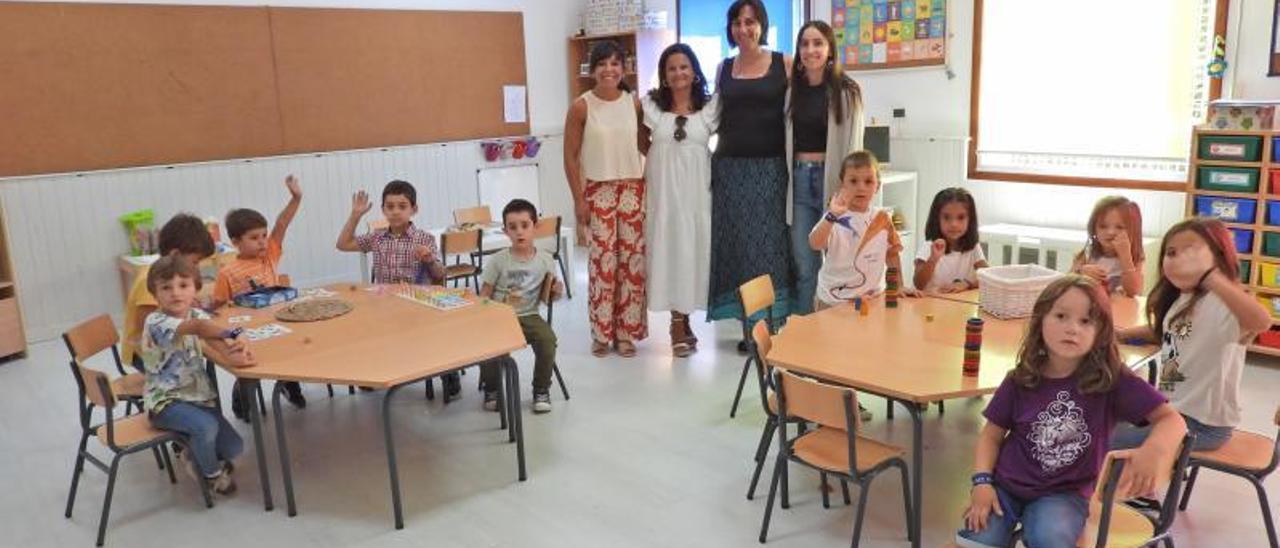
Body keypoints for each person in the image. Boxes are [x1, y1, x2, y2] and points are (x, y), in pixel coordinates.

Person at [957, 275, 1186, 548]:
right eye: (1061, 316)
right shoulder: (1020, 378)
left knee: (1048, 538)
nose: (1072, 329)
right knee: (978, 539)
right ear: (1040, 321)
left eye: (1086, 321)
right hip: (1004, 486)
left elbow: (1173, 420)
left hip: (1065, 494)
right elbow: (991, 436)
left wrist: (1155, 450)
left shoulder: (1112, 380)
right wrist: (982, 482)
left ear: (1100, 331)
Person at [1113, 218, 1272, 452]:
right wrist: (1122, 335)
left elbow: (1261, 322)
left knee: (1104, 440)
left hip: (1202, 426)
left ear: (1217, 257)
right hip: (1172, 409)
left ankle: (1133, 483)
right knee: (1100, 416)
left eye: (1192, 251)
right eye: (1172, 252)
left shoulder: (1223, 303)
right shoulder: (1183, 298)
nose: (1181, 259)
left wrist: (1212, 277)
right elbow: (1171, 332)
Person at [709, 0, 795, 351]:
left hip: (771, 168)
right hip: (729, 169)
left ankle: (772, 321)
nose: (743, 29)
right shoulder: (723, 67)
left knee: (770, 245)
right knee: (739, 247)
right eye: (737, 22)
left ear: (762, 25)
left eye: (751, 22)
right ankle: (749, 324)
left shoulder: (784, 63)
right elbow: (712, 114)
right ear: (730, 27)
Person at [336, 180, 461, 399]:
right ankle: (376, 372)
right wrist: (356, 215)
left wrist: (430, 260)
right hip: (385, 306)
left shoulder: (424, 238)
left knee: (434, 338)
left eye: (402, 206)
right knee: (366, 331)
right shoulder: (377, 238)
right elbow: (343, 244)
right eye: (390, 206)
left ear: (414, 209)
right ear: (383, 209)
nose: (395, 212)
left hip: (418, 304)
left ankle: (448, 373)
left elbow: (440, 275)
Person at [141, 254, 254, 495]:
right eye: (166, 287)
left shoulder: (196, 314)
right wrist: (233, 334)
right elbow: (200, 329)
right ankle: (212, 477)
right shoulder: (156, 321)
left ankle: (190, 452)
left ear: (195, 288)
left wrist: (235, 350)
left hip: (199, 398)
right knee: (205, 428)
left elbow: (214, 336)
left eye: (183, 285)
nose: (176, 293)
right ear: (154, 293)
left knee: (235, 447)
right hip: (165, 402)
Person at [564, 40, 648, 358]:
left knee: (631, 263)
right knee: (603, 264)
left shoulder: (634, 104)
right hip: (597, 191)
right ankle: (601, 333)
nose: (609, 70)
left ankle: (626, 332)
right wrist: (578, 200)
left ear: (624, 68)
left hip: (632, 190)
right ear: (592, 69)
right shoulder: (581, 106)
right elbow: (570, 158)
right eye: (602, 64)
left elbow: (646, 146)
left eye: (615, 63)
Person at [642, 43, 717, 358]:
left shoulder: (711, 107)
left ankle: (685, 320)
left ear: (695, 70)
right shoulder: (650, 106)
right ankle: (676, 323)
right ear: (664, 74)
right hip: (664, 196)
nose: (678, 73)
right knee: (669, 252)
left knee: (691, 254)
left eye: (684, 67)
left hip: (697, 194)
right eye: (671, 68)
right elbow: (639, 142)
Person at [785, 19, 864, 314]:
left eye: (817, 43)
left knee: (837, 265)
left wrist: (847, 191)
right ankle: (808, 338)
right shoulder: (792, 91)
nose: (810, 50)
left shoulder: (847, 91)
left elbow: (855, 147)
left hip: (832, 183)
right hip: (800, 183)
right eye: (804, 44)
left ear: (830, 49)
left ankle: (837, 336)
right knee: (806, 266)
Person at [214, 175, 305, 417]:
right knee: (249, 364)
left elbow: (282, 224)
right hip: (248, 329)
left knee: (289, 352)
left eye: (263, 236)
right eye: (254, 238)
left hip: (278, 322)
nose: (263, 242)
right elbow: (220, 305)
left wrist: (296, 198)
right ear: (235, 242)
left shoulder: (269, 256)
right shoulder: (228, 272)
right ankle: (241, 399)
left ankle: (289, 384)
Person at [477, 199, 564, 414]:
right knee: (488, 343)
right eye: (513, 227)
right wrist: (484, 318)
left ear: (536, 226)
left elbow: (548, 298)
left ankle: (541, 390)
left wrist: (556, 292)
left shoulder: (545, 260)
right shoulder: (498, 260)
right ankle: (493, 389)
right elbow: (484, 294)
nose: (519, 232)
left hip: (530, 315)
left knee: (548, 340)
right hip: (499, 315)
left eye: (525, 225)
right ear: (505, 231)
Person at [809, 151, 913, 311]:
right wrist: (831, 216)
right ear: (842, 184)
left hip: (872, 299)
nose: (861, 187)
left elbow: (892, 254)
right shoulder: (834, 217)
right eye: (853, 181)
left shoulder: (882, 219)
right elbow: (815, 243)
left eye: (868, 181)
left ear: (877, 186)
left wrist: (898, 285)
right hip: (834, 302)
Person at [121, 213, 217, 373]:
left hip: (167, 345)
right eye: (195, 262)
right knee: (197, 365)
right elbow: (147, 327)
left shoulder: (171, 277)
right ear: (175, 255)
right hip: (145, 353)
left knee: (203, 354)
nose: (196, 267)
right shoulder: (151, 278)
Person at [914, 187, 988, 293]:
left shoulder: (973, 247)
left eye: (961, 217)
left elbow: (989, 276)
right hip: (931, 305)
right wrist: (933, 259)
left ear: (970, 220)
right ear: (937, 219)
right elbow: (918, 284)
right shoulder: (929, 246)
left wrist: (967, 283)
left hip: (959, 305)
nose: (954, 224)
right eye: (946, 217)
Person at [1071, 196, 1145, 296]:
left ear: (1133, 231)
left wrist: (1125, 257)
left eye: (1120, 227)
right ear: (1094, 229)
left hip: (1121, 308)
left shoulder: (1135, 257)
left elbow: (1133, 291)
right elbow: (1066, 283)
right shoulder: (1088, 253)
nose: (1110, 232)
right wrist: (1080, 273)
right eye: (1103, 226)